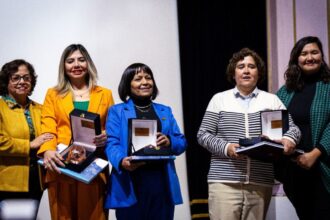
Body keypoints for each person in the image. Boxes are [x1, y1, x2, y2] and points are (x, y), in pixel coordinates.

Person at [197, 48, 301, 220]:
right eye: (241, 66)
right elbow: (203, 134)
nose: (246, 70)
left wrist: (288, 140)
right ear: (233, 72)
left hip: (260, 182)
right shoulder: (219, 99)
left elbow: (294, 129)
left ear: (258, 73)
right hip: (224, 182)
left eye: (251, 66)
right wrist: (226, 147)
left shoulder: (271, 100)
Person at [37, 44, 114, 220]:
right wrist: (48, 150)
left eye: (81, 59)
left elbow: (112, 127)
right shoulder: (53, 94)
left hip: (93, 167)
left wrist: (106, 135)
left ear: (88, 64)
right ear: (64, 66)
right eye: (70, 61)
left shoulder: (105, 94)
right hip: (61, 166)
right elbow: (48, 123)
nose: (76, 64)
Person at [104, 63, 187, 220]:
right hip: (130, 182)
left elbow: (181, 142)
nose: (145, 82)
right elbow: (111, 143)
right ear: (128, 85)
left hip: (162, 184)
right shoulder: (117, 111)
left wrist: (169, 141)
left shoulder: (165, 110)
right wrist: (122, 161)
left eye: (148, 78)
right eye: (138, 79)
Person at [275, 36, 330, 220]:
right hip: (293, 170)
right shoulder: (284, 92)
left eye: (314, 52)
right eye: (304, 53)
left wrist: (315, 154)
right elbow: (276, 124)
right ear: (296, 59)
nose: (309, 57)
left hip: (322, 168)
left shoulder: (328, 87)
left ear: (321, 56)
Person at [0, 59, 53, 218]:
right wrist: (30, 144)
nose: (22, 82)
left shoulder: (41, 109)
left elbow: (51, 135)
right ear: (6, 81)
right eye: (15, 78)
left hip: (36, 182)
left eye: (26, 77)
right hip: (9, 183)